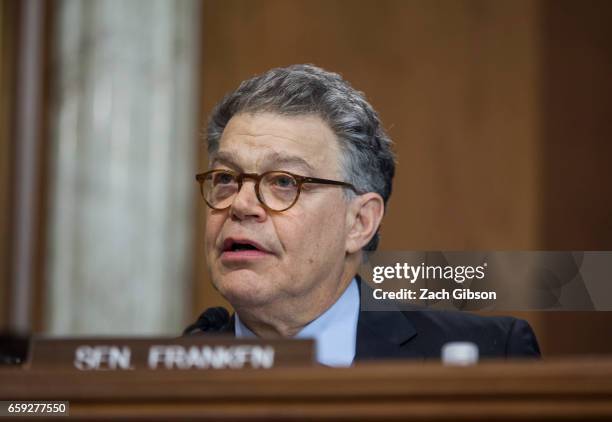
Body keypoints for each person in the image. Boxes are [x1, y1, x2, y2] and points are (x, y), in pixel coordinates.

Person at [185, 64, 540, 366]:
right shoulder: (167, 375)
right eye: (226, 179)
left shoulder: (491, 354)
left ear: (359, 222)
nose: (241, 205)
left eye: (283, 181)